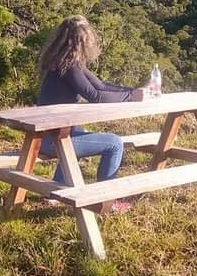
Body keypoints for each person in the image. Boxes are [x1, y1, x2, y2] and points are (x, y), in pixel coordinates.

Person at [35, 15, 145, 212]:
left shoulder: (64, 63)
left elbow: (101, 85)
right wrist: (131, 97)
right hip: (51, 140)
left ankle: (55, 193)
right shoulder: (69, 66)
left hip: (47, 135)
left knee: (77, 132)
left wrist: (132, 91)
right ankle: (108, 201)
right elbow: (96, 96)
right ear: (83, 41)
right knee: (114, 143)